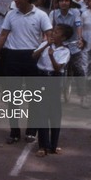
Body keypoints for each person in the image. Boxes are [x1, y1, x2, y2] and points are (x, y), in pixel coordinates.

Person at [0, 0, 52, 143]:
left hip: (32, 58)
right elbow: (2, 36)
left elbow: (49, 36)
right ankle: (14, 131)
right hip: (12, 58)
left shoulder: (41, 15)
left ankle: (31, 130)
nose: (15, 0)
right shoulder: (11, 15)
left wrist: (40, 49)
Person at [31, 24, 72, 157]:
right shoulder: (45, 44)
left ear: (64, 37)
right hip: (41, 77)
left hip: (53, 79)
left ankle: (53, 145)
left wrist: (52, 56)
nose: (53, 34)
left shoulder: (65, 51)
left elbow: (57, 68)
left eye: (57, 32)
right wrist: (45, 45)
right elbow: (34, 56)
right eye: (53, 31)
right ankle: (43, 145)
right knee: (41, 111)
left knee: (54, 113)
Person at [49, 0, 87, 107]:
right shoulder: (53, 13)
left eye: (66, 1)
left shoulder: (75, 12)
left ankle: (83, 96)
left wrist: (80, 39)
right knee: (53, 68)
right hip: (59, 45)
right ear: (58, 2)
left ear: (70, 2)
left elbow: (79, 25)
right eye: (61, 0)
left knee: (78, 69)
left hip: (73, 45)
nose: (64, 3)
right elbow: (49, 27)